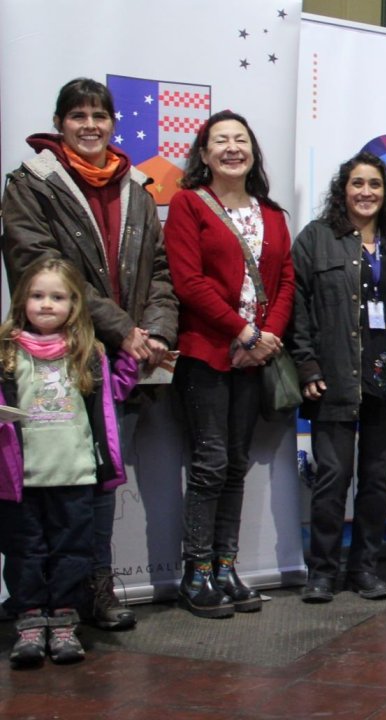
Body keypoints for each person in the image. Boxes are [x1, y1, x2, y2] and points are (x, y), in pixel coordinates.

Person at [1, 77, 177, 632]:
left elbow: (161, 272)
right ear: (59, 123)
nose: (90, 125)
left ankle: (92, 590)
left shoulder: (137, 187)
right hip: (56, 361)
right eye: (78, 116)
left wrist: (154, 332)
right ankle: (37, 604)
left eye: (99, 116)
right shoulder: (30, 184)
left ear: (113, 123)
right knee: (44, 495)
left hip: (123, 365)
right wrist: (124, 329)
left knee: (100, 485)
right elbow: (39, 266)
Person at [291, 152, 386, 603]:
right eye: (357, 183)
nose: (366, 192)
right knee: (332, 478)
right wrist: (306, 365)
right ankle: (322, 572)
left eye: (375, 184)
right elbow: (297, 309)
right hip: (334, 377)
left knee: (377, 481)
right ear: (343, 190)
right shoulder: (316, 239)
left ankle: (365, 569)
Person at [165, 110, 295, 618]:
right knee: (211, 464)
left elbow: (286, 281)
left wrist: (267, 338)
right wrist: (242, 331)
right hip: (206, 354)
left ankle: (225, 567)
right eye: (220, 140)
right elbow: (188, 281)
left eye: (241, 139)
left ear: (253, 152)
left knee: (236, 464)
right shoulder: (187, 204)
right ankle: (195, 574)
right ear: (204, 153)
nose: (232, 148)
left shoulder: (273, 214)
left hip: (256, 358)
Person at [1, 258, 137, 667]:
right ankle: (29, 624)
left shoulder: (88, 353)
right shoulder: (6, 352)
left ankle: (63, 622)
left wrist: (132, 361)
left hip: (74, 475)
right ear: (22, 301)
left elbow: (110, 395)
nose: (46, 304)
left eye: (57, 297)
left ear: (74, 304)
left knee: (73, 551)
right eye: (37, 295)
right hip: (22, 480)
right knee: (24, 552)